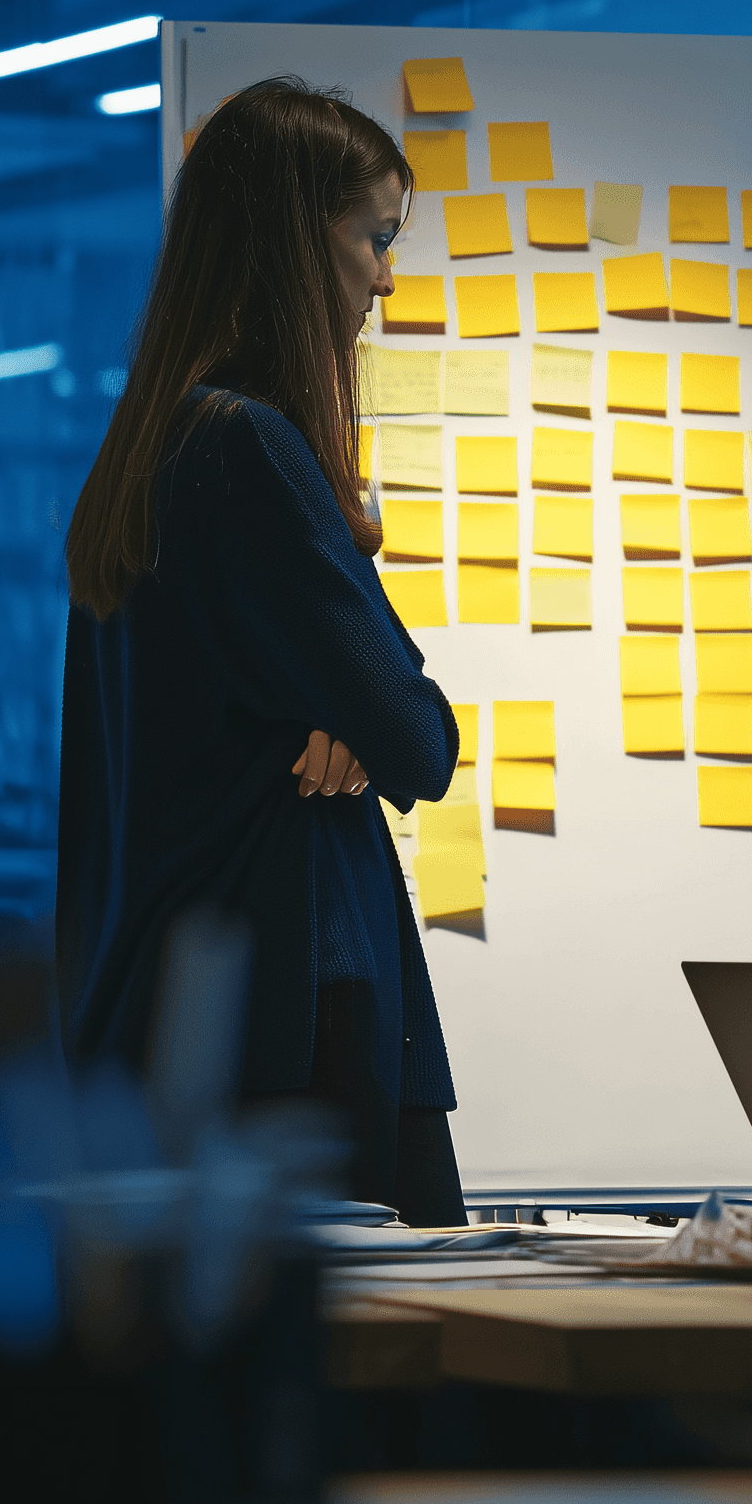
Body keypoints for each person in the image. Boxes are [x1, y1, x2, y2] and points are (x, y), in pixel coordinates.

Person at [57, 78, 468, 1226]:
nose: (385, 278)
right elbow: (419, 740)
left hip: (165, 1014)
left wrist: (335, 696)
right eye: (373, 238)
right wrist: (351, 559)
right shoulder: (253, 448)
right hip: (287, 1019)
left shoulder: (145, 447)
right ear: (299, 240)